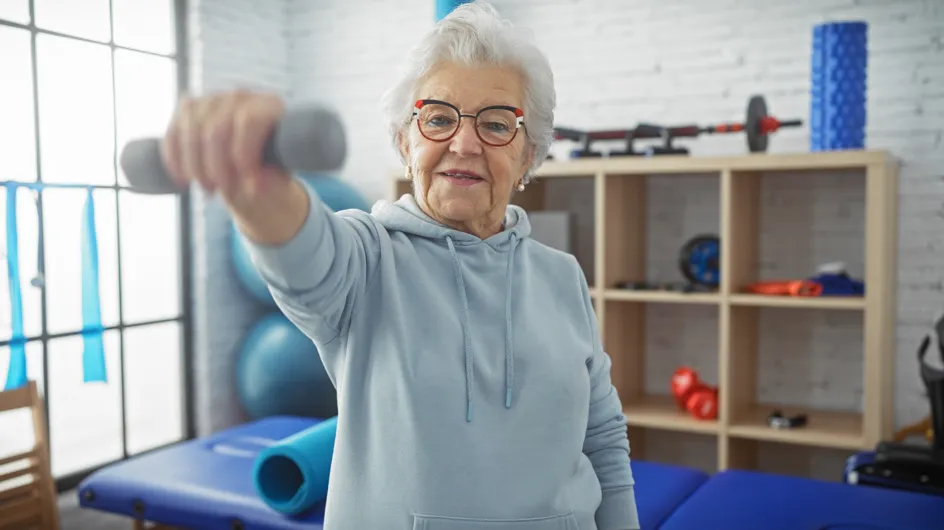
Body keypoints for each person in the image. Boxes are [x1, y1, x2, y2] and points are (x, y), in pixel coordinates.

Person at [161, 2, 638, 529]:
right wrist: (258, 189)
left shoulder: (562, 276)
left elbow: (603, 439)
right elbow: (304, 260)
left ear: (528, 155)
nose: (463, 142)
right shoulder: (366, 260)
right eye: (437, 118)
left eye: (497, 124)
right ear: (404, 143)